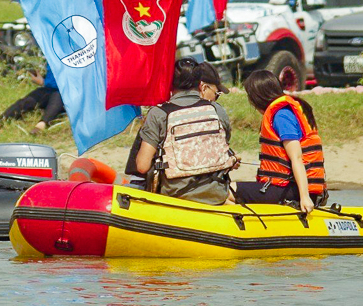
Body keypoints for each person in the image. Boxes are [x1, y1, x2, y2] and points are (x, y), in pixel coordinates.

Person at [124, 59, 236, 205]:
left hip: (176, 197)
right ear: (201, 85)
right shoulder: (217, 110)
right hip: (216, 194)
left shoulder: (158, 113)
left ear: (169, 84)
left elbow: (142, 166)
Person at [234, 70, 326, 213]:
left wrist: (305, 197)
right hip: (286, 187)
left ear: (257, 97)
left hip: (291, 190)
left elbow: (296, 157)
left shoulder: (281, 116)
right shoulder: (283, 112)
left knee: (227, 191)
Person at [0, 69, 66, 136]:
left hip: (65, 92)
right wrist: (41, 79)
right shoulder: (51, 56)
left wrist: (43, 82)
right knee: (26, 101)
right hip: (48, 89)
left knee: (57, 99)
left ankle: (41, 125)